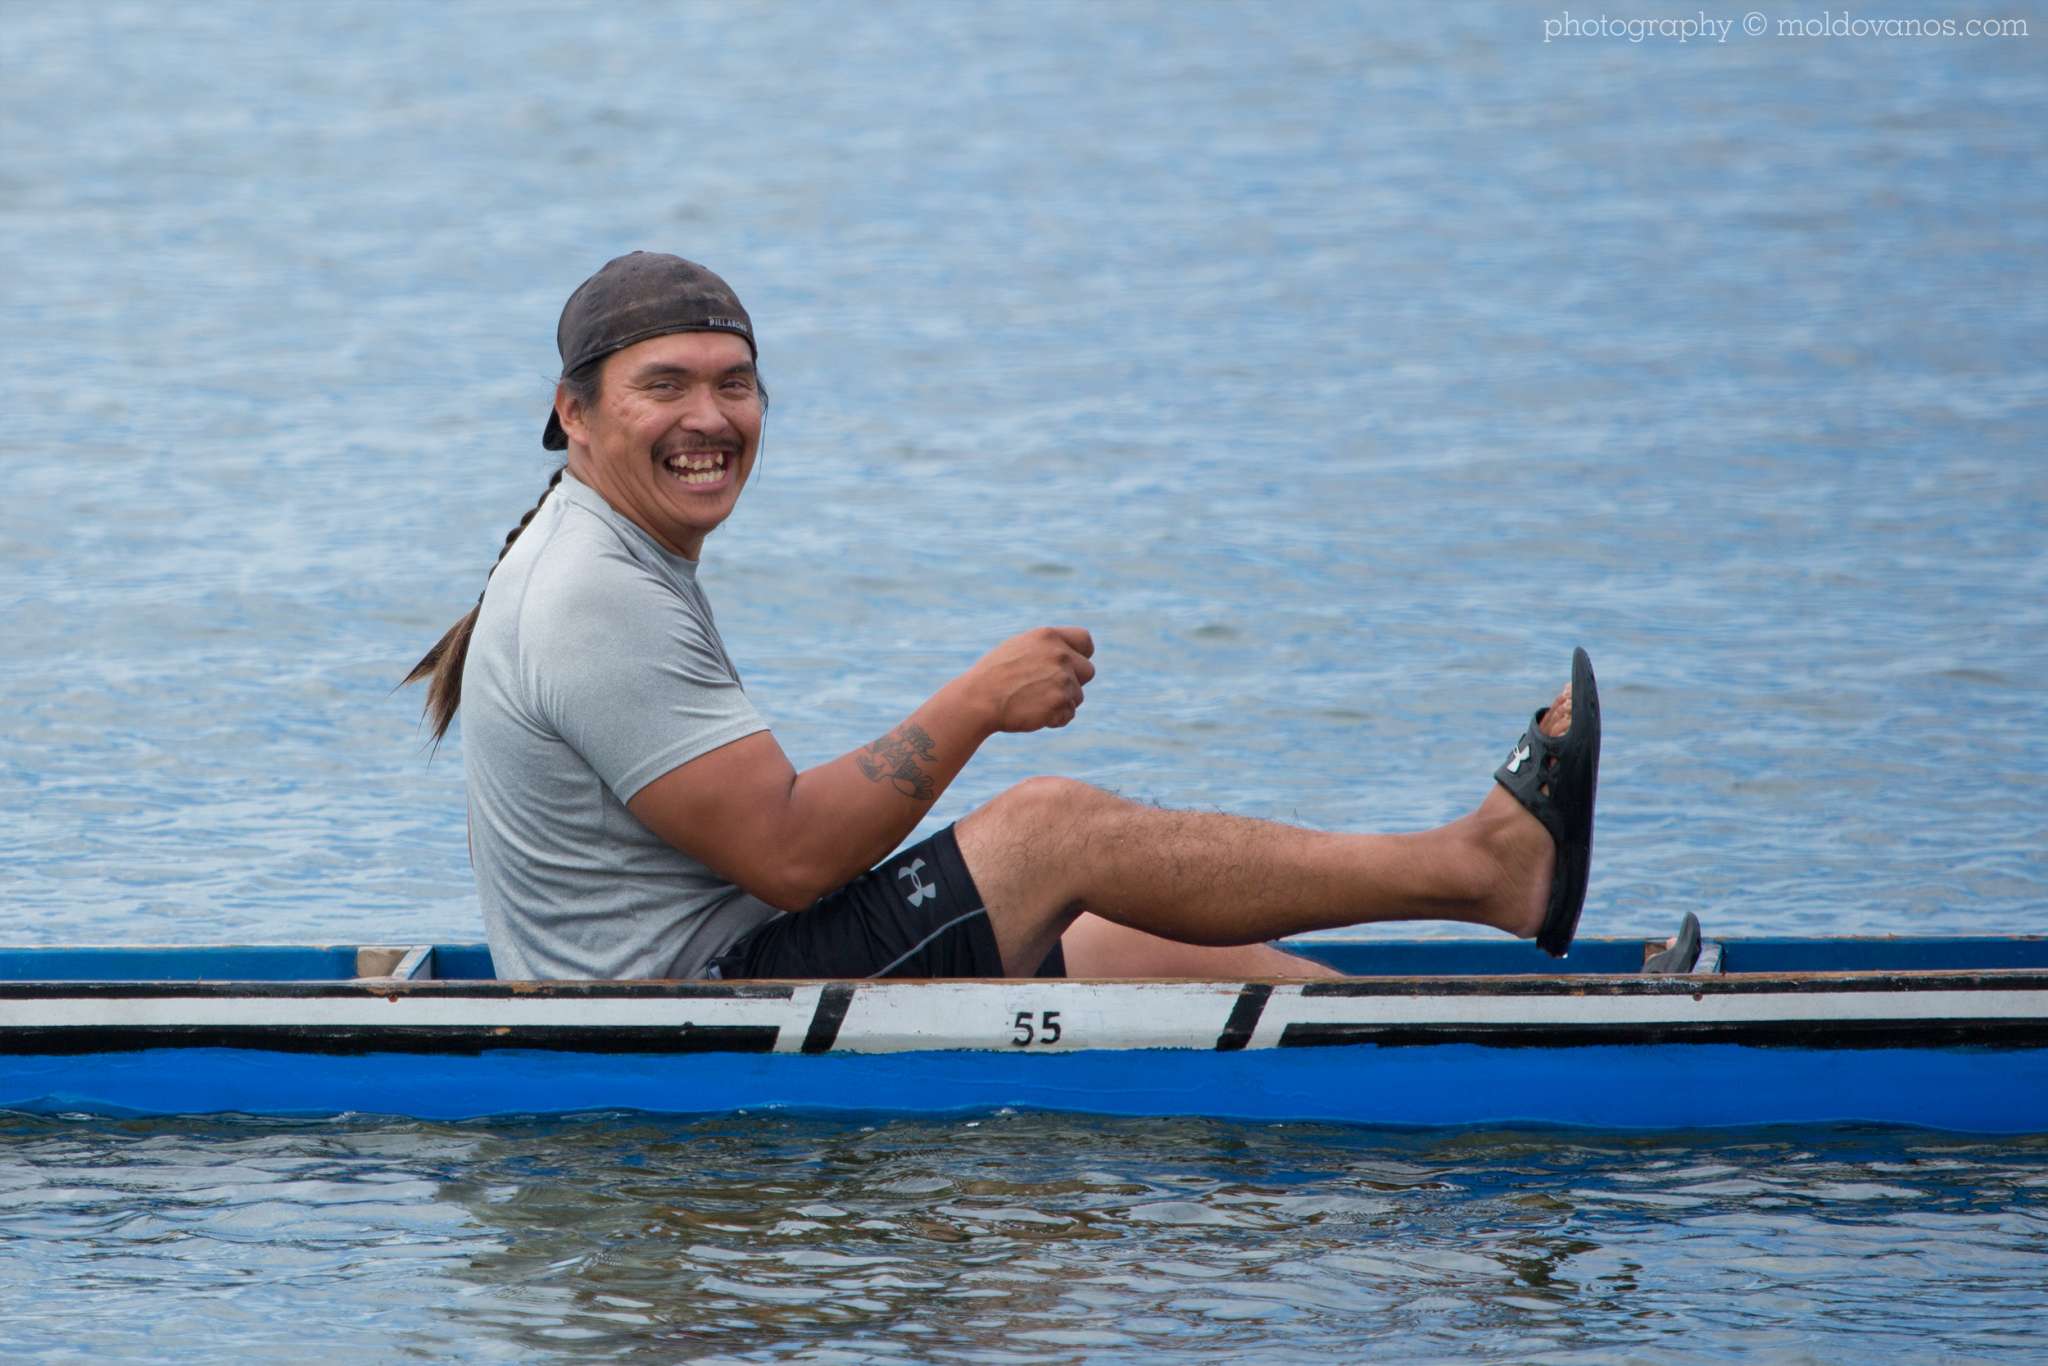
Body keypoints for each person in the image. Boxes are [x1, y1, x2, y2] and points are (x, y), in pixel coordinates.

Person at [405, 252, 1601, 983]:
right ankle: (1480, 868)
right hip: (693, 1005)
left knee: (1130, 936)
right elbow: (787, 854)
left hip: (725, 956)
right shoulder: (592, 591)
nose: (708, 416)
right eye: (663, 386)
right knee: (1048, 832)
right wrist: (977, 702)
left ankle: (1401, 1026)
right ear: (571, 414)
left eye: (733, 381)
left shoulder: (602, 547)